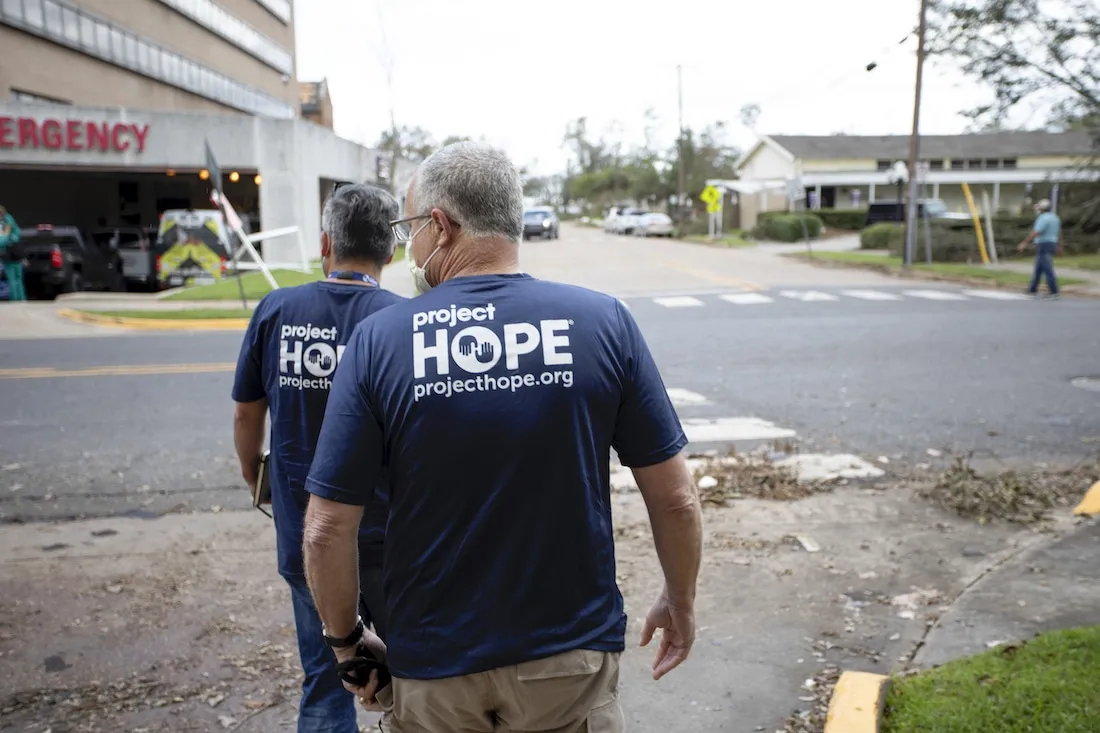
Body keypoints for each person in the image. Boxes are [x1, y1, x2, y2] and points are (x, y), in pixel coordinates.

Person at [302, 142, 703, 731]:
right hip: (567, 659)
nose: (407, 246)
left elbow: (326, 528)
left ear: (439, 227)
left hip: (435, 667)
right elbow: (676, 497)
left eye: (410, 228)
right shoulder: (602, 321)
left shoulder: (378, 340)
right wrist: (680, 598)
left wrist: (346, 646)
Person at [232, 183, 404, 733]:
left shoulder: (277, 309)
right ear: (392, 250)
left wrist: (255, 476)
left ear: (325, 243)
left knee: (328, 677)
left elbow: (246, 416)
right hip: (392, 538)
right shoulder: (406, 320)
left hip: (305, 534)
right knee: (417, 675)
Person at [1017, 198, 1062, 299]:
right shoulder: (1055, 217)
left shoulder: (1043, 218)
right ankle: (1032, 289)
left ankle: (1054, 291)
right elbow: (1059, 233)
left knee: (1047, 268)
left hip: (1043, 244)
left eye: (1039, 207)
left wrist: (1024, 243)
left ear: (1042, 209)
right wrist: (1059, 245)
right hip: (1052, 243)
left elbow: (1036, 232)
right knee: (1038, 268)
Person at [0, 205, 27, 302]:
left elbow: (4, 239)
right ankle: (22, 299)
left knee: (12, 279)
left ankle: (15, 301)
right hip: (17, 256)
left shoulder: (6, 221)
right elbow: (16, 236)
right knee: (18, 279)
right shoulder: (11, 221)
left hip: (9, 257)